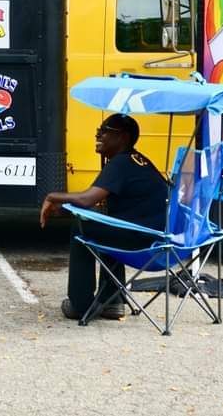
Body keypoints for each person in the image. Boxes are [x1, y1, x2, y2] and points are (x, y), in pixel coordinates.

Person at [39, 113, 169, 321]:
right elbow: (96, 197)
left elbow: (87, 199)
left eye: (106, 131)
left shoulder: (121, 163)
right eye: (99, 130)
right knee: (105, 225)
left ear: (124, 138)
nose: (98, 135)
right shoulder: (136, 159)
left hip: (143, 241)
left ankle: (79, 305)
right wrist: (64, 208)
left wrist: (52, 196)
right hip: (152, 236)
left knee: (81, 228)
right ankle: (113, 301)